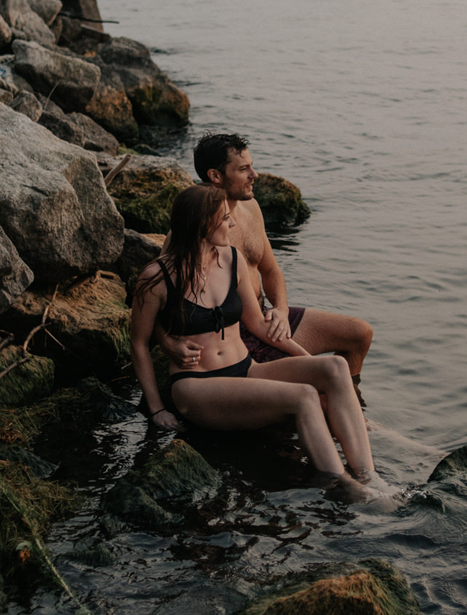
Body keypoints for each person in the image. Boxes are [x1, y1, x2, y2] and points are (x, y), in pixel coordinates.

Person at [130, 182, 383, 493]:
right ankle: (344, 486)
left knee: (334, 368)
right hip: (197, 386)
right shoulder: (156, 277)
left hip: (247, 368)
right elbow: (139, 344)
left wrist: (303, 355)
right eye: (224, 218)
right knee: (303, 397)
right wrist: (157, 409)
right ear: (201, 225)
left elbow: (258, 325)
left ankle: (369, 476)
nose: (232, 223)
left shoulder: (232, 259)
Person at [188, 131, 375, 395]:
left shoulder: (251, 207)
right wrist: (170, 343)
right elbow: (163, 295)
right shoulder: (195, 226)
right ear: (215, 176)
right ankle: (341, 411)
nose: (255, 175)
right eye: (244, 169)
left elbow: (270, 269)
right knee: (315, 387)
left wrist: (281, 309)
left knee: (359, 333)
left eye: (252, 166)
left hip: (265, 317)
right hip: (233, 335)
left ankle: (352, 401)